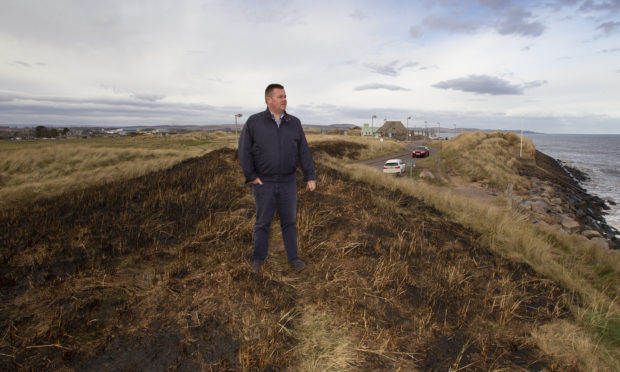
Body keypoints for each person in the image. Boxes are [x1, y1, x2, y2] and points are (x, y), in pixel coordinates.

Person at [238, 83, 316, 272]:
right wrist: (251, 176)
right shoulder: (254, 122)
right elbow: (243, 150)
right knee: (262, 222)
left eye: (285, 96)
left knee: (289, 222)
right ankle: (258, 259)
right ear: (268, 100)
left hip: (288, 182)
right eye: (280, 96)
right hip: (264, 183)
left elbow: (303, 151)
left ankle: (293, 258)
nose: (284, 100)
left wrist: (310, 176)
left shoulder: (294, 123)